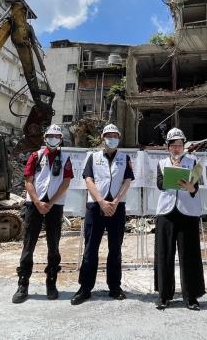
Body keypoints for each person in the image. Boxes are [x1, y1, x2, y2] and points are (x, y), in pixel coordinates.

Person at [71, 124, 134, 305]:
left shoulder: (124, 158)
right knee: (90, 249)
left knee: (115, 249)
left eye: (115, 135)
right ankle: (85, 288)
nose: (112, 138)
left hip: (117, 207)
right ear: (103, 137)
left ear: (119, 138)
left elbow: (127, 181)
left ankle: (114, 286)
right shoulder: (93, 157)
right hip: (95, 207)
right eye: (109, 135)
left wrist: (114, 202)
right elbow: (88, 180)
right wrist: (101, 201)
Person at [12, 124, 73, 304]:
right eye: (50, 136)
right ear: (45, 137)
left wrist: (51, 202)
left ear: (60, 139)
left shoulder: (66, 158)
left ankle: (51, 282)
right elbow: (28, 181)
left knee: (53, 245)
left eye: (56, 136)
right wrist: (37, 202)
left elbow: (66, 182)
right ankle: (23, 284)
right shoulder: (36, 156)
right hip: (34, 205)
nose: (53, 139)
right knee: (28, 244)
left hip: (55, 206)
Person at [154, 128, 205, 311]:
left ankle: (191, 297)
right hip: (166, 212)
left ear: (184, 146)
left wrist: (191, 187)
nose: (176, 148)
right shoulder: (161, 163)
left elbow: (196, 188)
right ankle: (163, 295)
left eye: (179, 145)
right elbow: (160, 184)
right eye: (173, 145)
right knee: (164, 254)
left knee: (189, 255)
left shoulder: (194, 162)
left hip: (188, 212)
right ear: (167, 147)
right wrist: (173, 170)